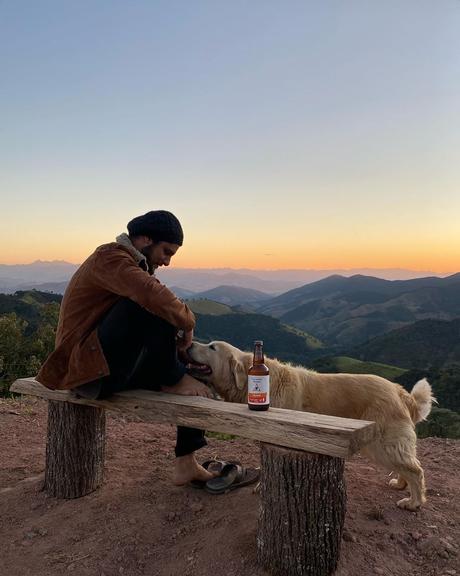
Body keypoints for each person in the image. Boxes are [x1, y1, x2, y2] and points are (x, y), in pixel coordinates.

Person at [37, 210, 216, 486]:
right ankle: (173, 378)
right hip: (86, 373)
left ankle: (186, 462)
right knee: (149, 301)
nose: (167, 262)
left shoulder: (130, 267)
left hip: (105, 367)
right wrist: (188, 323)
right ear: (145, 239)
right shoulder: (110, 258)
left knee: (191, 373)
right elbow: (151, 296)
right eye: (166, 251)